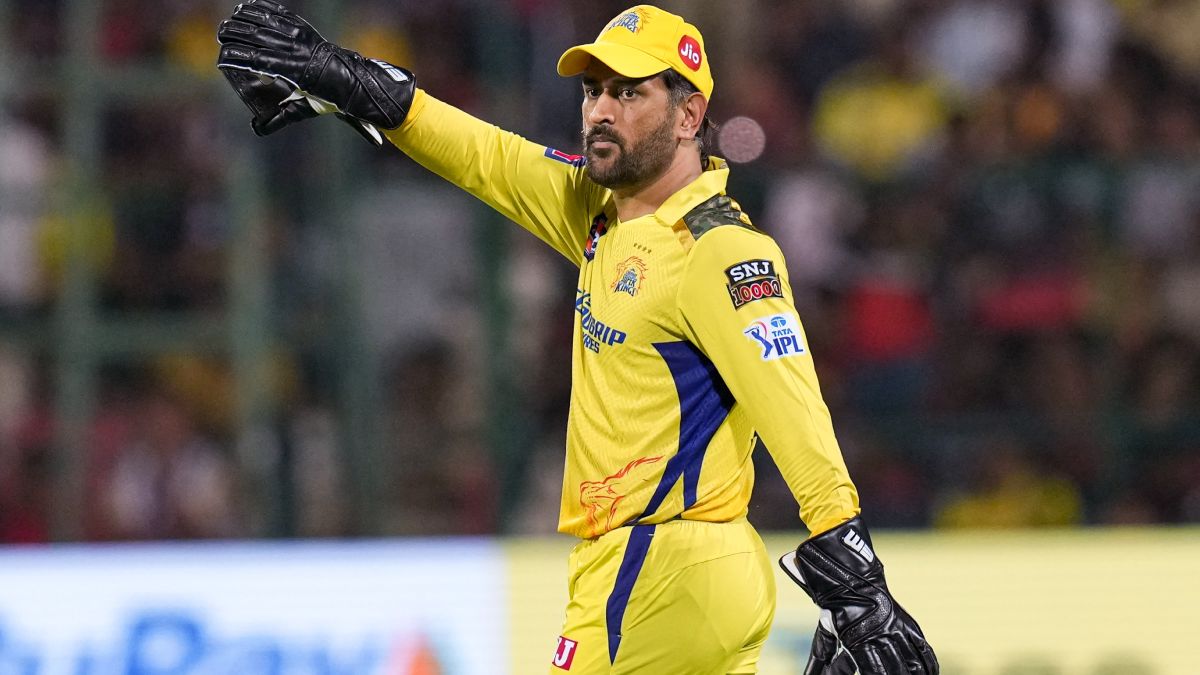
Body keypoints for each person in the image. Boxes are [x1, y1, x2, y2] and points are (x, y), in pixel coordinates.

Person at [215, 3, 938, 673]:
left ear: (689, 114)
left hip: (659, 563)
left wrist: (853, 570)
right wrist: (359, 86)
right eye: (593, 91)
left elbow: (791, 398)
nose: (600, 110)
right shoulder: (602, 212)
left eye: (629, 93)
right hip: (685, 570)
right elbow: (489, 159)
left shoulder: (716, 248)